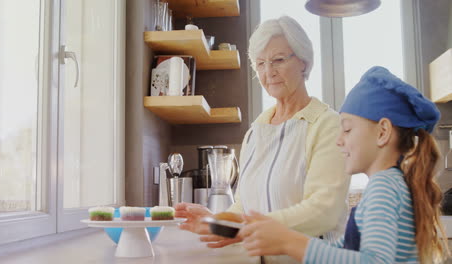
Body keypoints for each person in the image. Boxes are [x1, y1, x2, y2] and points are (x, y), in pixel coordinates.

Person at [175, 16, 350, 263]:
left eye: (278, 60)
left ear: (303, 61)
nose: (269, 72)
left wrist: (245, 227)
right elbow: (244, 207)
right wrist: (215, 222)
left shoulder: (326, 124)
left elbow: (324, 212)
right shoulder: (255, 133)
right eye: (260, 63)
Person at [239, 66, 451, 263]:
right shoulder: (389, 184)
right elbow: (344, 253)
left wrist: (290, 242)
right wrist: (283, 241)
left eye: (347, 129)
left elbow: (375, 261)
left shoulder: (383, 187)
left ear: (382, 132)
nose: (338, 140)